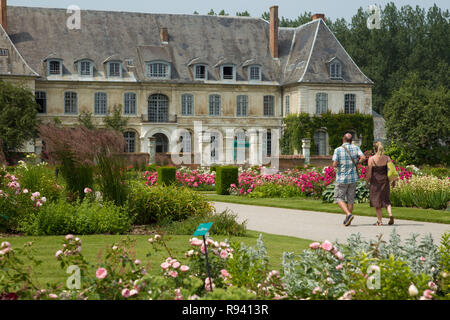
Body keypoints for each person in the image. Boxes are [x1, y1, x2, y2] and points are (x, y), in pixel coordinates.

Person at [332, 133, 366, 226]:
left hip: (342, 178)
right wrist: (357, 163)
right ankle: (348, 219)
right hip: (353, 178)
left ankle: (348, 214)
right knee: (350, 199)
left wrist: (338, 164)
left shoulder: (338, 150)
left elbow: (334, 164)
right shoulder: (356, 148)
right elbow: (363, 157)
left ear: (343, 139)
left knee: (338, 198)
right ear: (351, 141)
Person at [365, 141, 395, 226]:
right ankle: (390, 214)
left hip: (375, 183)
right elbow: (392, 171)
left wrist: (367, 182)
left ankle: (379, 221)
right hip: (385, 181)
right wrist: (394, 181)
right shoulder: (387, 158)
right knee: (386, 200)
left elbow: (369, 173)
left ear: (374, 149)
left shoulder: (371, 159)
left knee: (377, 202)